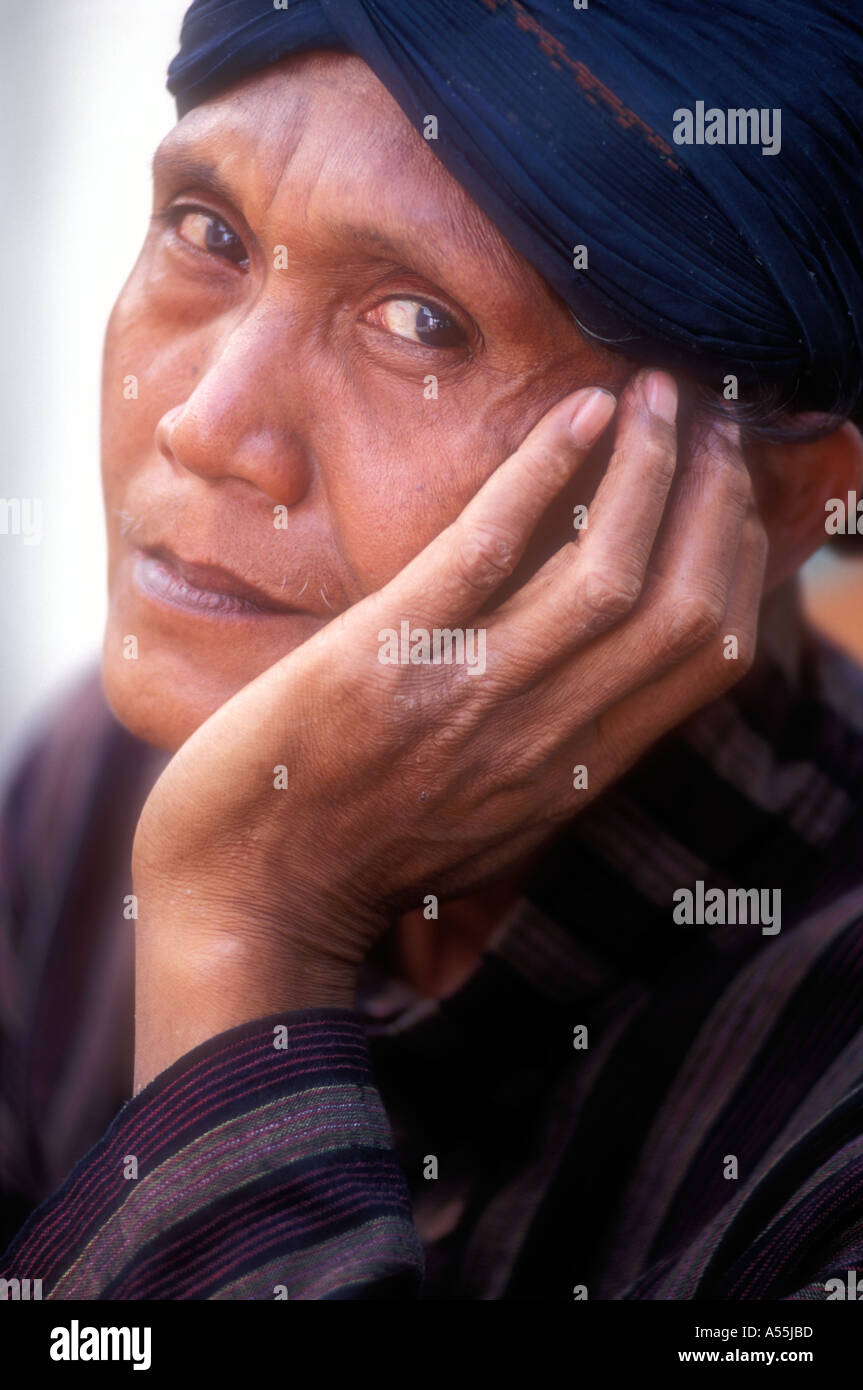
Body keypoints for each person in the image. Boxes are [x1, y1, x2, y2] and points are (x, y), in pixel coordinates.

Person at [2, 0, 863, 1300]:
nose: (202, 420)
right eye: (207, 231)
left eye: (420, 323)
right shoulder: (92, 790)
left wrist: (247, 924)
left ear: (780, 500)